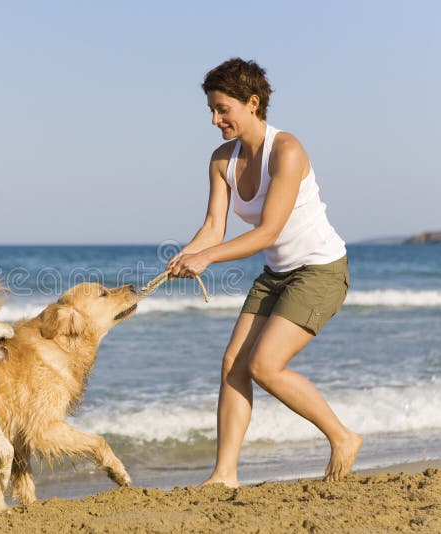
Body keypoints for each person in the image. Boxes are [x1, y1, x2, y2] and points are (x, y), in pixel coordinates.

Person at [167, 58, 362, 486]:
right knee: (233, 364)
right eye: (212, 111)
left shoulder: (287, 151)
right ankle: (224, 474)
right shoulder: (222, 159)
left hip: (320, 270)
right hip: (278, 272)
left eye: (223, 110)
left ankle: (343, 436)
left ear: (252, 103)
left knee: (265, 366)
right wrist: (187, 254)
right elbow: (213, 227)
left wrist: (209, 258)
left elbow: (269, 229)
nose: (216, 120)